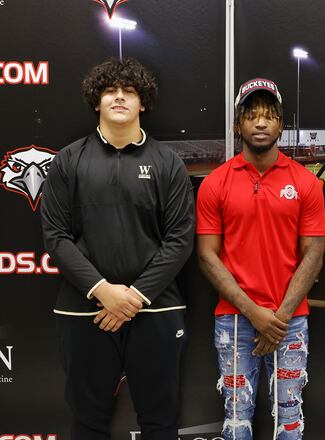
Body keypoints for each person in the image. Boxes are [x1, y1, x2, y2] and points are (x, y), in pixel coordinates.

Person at [41, 57, 195, 439]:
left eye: (130, 91)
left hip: (156, 309)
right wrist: (104, 292)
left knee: (160, 422)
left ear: (143, 103)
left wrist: (135, 296)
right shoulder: (68, 160)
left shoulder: (168, 163)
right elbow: (56, 236)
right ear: (97, 101)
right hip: (84, 312)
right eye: (110, 91)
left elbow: (179, 239)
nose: (120, 97)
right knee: (87, 422)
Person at [196, 77, 325, 440]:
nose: (261, 122)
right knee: (236, 420)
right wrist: (255, 313)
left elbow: (314, 254)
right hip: (235, 321)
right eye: (251, 115)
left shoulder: (304, 182)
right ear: (238, 124)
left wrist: (278, 318)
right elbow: (207, 256)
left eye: (269, 115)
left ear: (281, 124)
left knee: (289, 421)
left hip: (290, 322)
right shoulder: (216, 183)